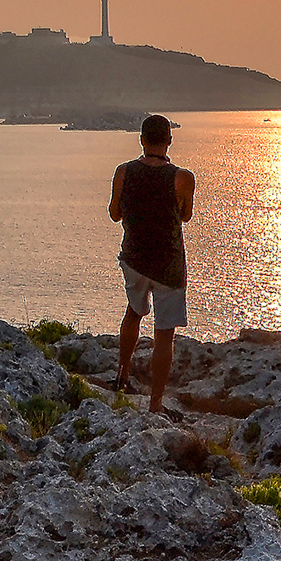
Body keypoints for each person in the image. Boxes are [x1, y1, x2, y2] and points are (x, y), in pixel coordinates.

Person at [109, 113, 196, 413]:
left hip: (134, 258)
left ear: (142, 140)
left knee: (133, 313)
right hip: (169, 264)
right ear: (169, 141)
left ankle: (122, 374)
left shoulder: (123, 172)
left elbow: (114, 213)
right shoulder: (183, 178)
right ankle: (155, 404)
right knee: (164, 333)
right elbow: (185, 216)